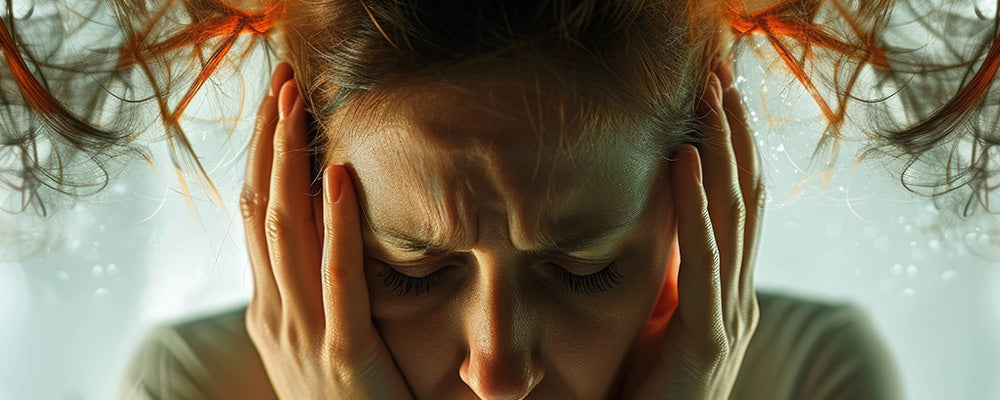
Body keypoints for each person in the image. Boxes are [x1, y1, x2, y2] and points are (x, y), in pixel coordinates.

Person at [2, 0, 997, 399]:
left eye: (582, 269)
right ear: (298, 217)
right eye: (413, 270)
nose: (498, 365)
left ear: (694, 217)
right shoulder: (187, 386)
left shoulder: (815, 375)